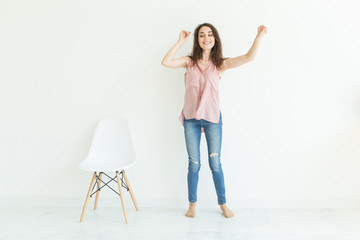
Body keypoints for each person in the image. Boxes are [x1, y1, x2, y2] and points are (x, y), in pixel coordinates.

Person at [161, 23, 267, 218]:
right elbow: (165, 62)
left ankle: (223, 203)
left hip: (212, 119)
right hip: (191, 118)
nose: (206, 38)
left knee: (215, 163)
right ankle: (192, 204)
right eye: (202, 35)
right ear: (197, 40)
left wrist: (259, 36)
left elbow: (249, 57)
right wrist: (180, 41)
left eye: (210, 34)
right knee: (193, 163)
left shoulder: (220, 64)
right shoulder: (189, 62)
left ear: (215, 39)